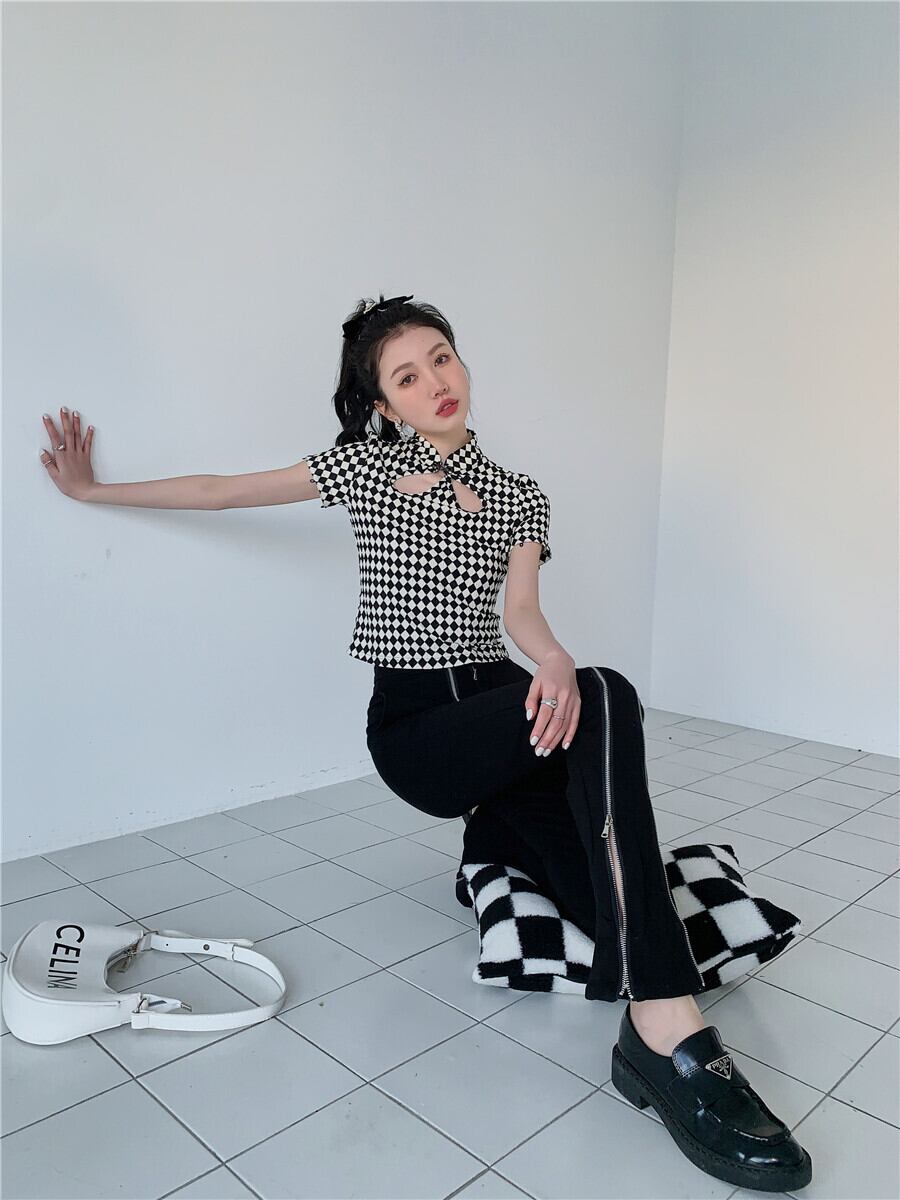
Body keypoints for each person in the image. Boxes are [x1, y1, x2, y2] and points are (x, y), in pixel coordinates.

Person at [39, 293, 811, 1192]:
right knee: (609, 696)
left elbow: (521, 612)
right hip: (419, 730)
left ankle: (500, 845)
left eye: (441, 358)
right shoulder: (364, 468)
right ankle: (664, 1031)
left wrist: (553, 659)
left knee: (607, 899)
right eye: (407, 376)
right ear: (385, 404)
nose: (435, 382)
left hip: (501, 708)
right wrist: (93, 490)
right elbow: (223, 490)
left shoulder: (521, 493)